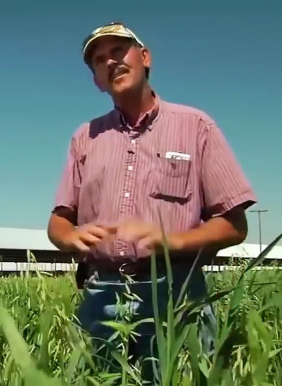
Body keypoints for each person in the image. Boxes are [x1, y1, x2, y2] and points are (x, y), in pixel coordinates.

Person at [47, 22, 257, 383]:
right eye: (99, 60)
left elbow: (234, 225)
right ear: (96, 80)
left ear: (145, 58)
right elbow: (59, 220)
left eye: (118, 51)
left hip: (177, 294)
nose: (110, 62)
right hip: (103, 294)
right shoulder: (85, 137)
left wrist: (171, 240)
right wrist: (69, 238)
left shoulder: (196, 126)